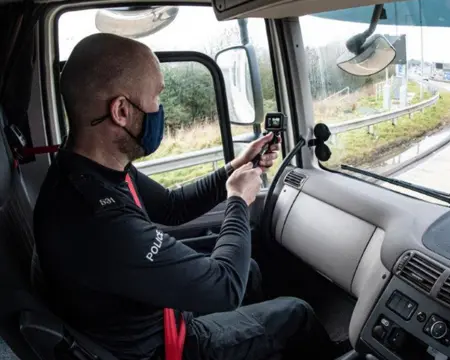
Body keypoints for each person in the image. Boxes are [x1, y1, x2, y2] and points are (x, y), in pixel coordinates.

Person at [33, 33, 340, 360]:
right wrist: (238, 200)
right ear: (121, 111)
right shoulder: (96, 218)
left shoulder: (92, 170)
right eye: (156, 97)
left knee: (248, 269)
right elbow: (224, 290)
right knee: (296, 313)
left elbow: (172, 206)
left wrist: (236, 166)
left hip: (148, 314)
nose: (159, 110)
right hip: (166, 347)